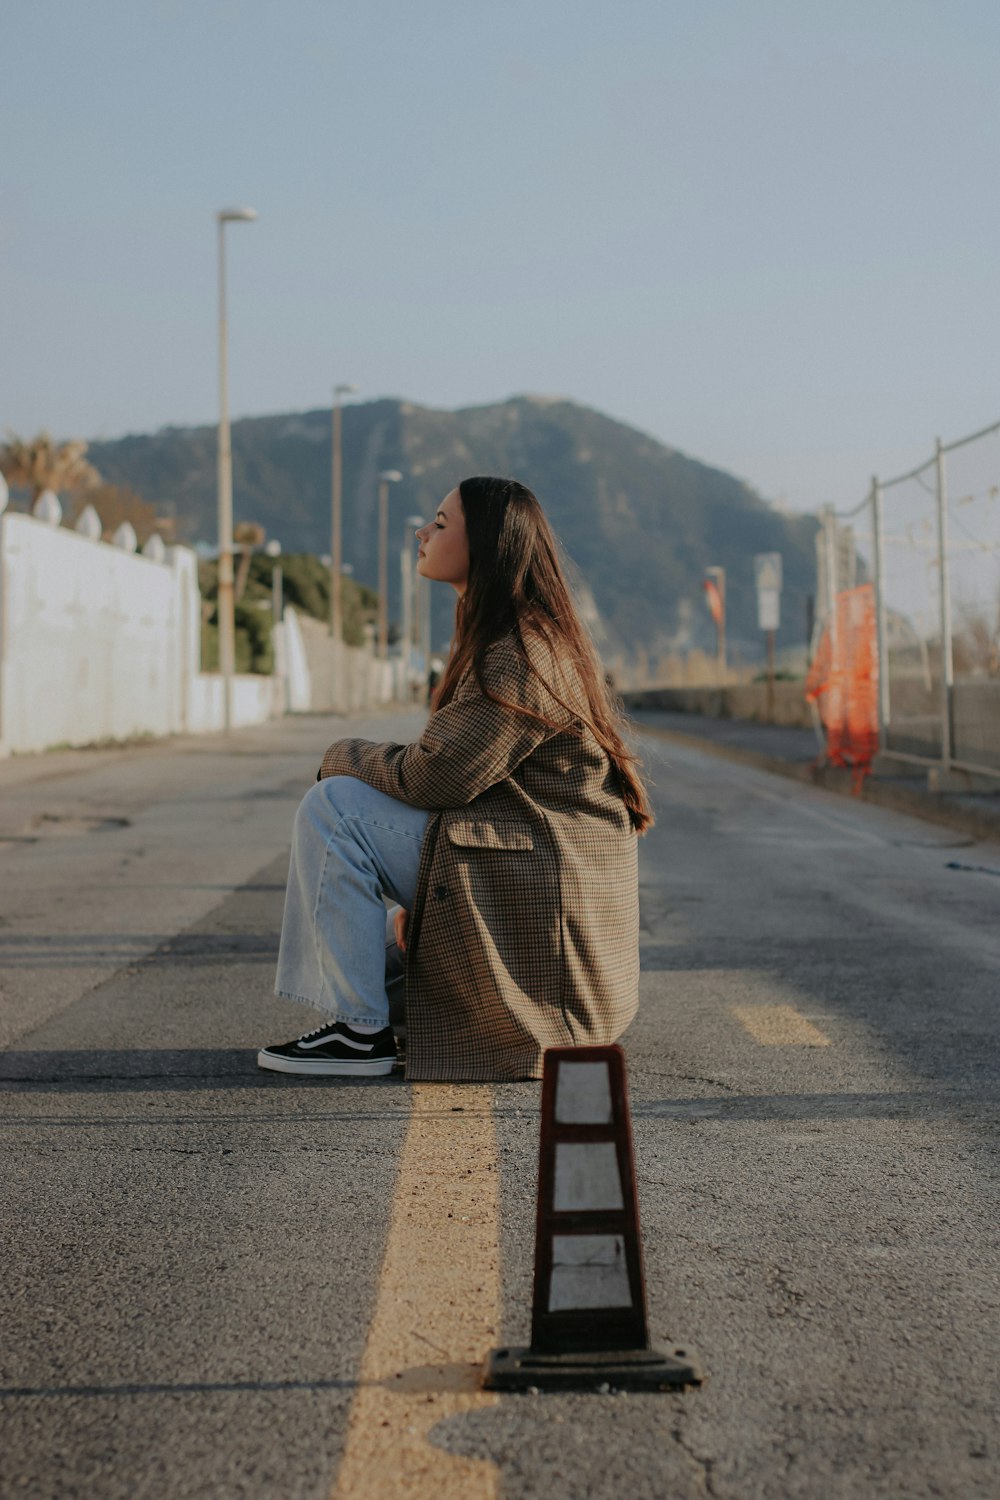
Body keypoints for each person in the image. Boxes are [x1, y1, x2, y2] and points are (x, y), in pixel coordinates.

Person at [257, 476, 653, 1083]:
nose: (422, 533)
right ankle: (362, 1020)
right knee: (384, 966)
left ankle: (359, 1038)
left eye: (440, 524)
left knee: (336, 806)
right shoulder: (517, 635)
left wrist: (340, 755)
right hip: (541, 899)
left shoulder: (520, 650)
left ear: (487, 544)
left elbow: (437, 775)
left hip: (547, 922)